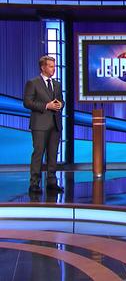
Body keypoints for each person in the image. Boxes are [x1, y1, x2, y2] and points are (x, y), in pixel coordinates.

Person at [23, 55, 64, 194]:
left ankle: (52, 182)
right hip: (40, 124)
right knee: (38, 154)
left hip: (55, 124)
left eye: (54, 66)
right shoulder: (33, 83)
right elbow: (27, 102)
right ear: (43, 67)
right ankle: (34, 183)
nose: (54, 69)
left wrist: (60, 105)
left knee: (53, 155)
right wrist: (46, 105)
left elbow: (61, 101)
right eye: (51, 66)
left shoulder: (57, 84)